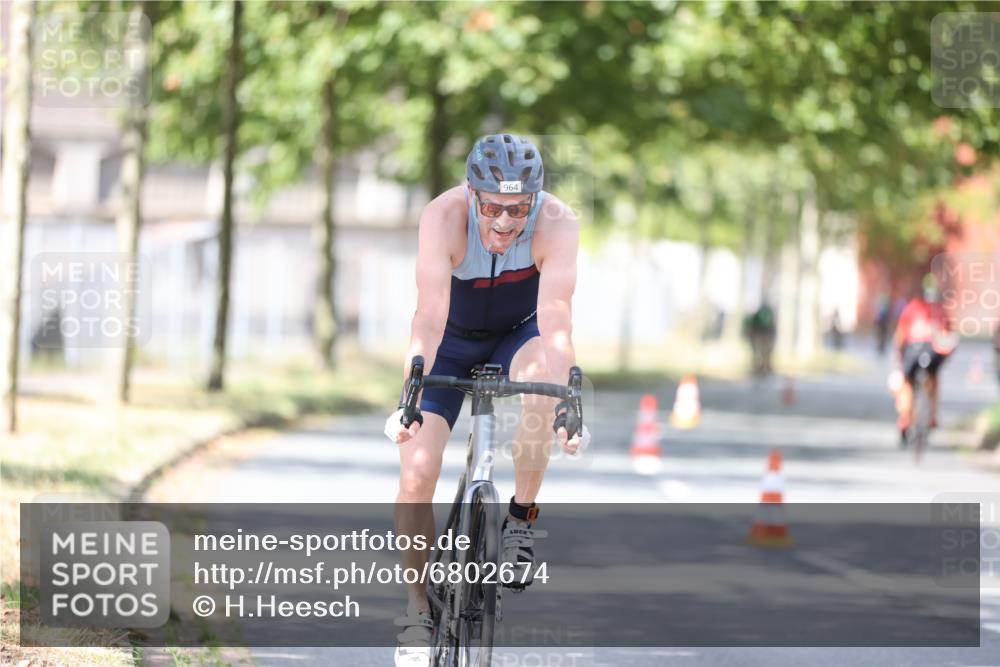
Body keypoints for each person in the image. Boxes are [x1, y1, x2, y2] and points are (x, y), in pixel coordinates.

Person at [383, 133, 591, 666]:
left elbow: (557, 318)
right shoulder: (443, 216)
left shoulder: (558, 222)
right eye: (493, 207)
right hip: (449, 340)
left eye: (518, 209)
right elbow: (429, 314)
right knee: (416, 474)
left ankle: (520, 518)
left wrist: (568, 397)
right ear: (472, 195)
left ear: (535, 200)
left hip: (518, 335)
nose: (503, 221)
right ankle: (416, 613)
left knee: (540, 386)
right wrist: (411, 390)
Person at [893, 275, 956, 445]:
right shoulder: (940, 310)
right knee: (933, 379)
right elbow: (949, 337)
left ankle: (905, 419)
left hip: (913, 349)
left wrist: (898, 357)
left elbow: (900, 336)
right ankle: (932, 417)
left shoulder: (912, 307)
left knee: (907, 382)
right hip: (934, 350)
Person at [746, 301, 776, 376]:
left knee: (763, 353)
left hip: (762, 334)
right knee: (763, 353)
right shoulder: (759, 315)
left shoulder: (759, 315)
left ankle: (763, 367)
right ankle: (761, 367)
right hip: (763, 334)